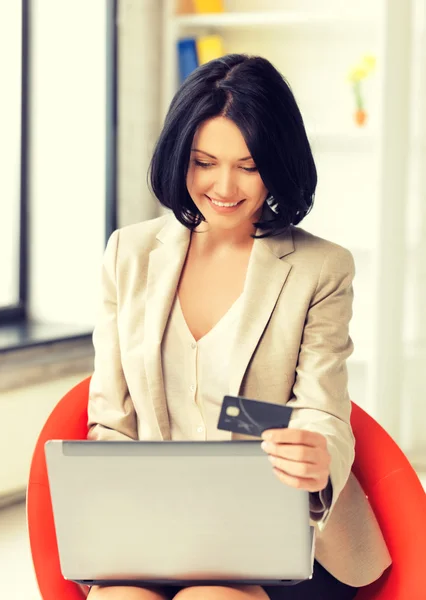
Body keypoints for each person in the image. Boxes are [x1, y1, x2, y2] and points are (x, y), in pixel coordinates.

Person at [85, 54, 391, 600]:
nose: (224, 186)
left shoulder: (322, 268)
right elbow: (111, 421)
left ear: (277, 163)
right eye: (204, 162)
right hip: (158, 528)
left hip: (279, 532)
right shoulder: (127, 254)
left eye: (248, 166)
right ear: (180, 157)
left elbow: (321, 410)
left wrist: (316, 457)